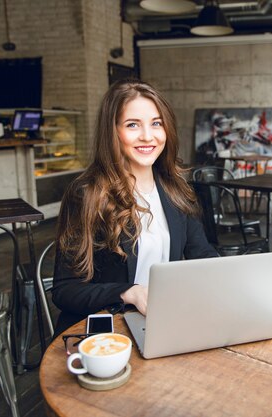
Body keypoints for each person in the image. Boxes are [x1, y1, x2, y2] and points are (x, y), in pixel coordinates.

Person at [52, 79, 218, 336]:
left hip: (161, 322)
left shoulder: (176, 190)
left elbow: (203, 256)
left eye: (156, 123)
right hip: (106, 332)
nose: (147, 136)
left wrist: (231, 279)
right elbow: (66, 290)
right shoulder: (87, 194)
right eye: (132, 125)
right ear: (113, 131)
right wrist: (130, 292)